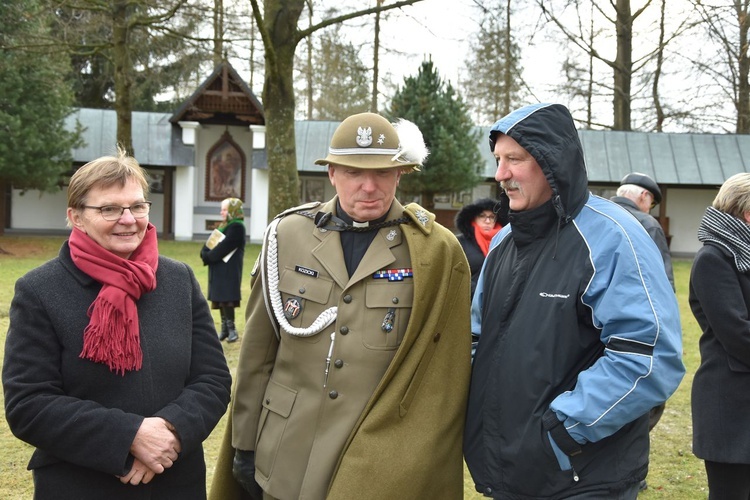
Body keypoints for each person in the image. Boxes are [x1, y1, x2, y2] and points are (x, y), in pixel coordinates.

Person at [209, 112, 472, 500]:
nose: (369, 186)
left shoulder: (434, 250)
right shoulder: (287, 234)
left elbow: (443, 376)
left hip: (372, 456)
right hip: (286, 449)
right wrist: (244, 444)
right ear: (331, 173)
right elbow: (258, 353)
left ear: (400, 174)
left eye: (382, 173)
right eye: (353, 172)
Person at [463, 103, 685, 499]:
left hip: (583, 475)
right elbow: (477, 338)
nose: (501, 175)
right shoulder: (503, 242)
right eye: (499, 160)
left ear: (553, 162)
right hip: (509, 468)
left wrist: (561, 431)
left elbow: (648, 357)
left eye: (515, 159)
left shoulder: (613, 238)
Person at [2, 149, 232, 499]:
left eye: (138, 206)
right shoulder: (40, 290)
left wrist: (170, 431)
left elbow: (213, 379)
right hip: (80, 484)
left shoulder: (178, 279)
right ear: (76, 217)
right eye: (109, 208)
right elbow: (29, 403)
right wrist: (130, 437)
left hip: (175, 481)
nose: (128, 219)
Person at [612, 171, 676, 492]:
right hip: (638, 330)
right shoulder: (647, 225)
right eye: (650, 202)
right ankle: (631, 475)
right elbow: (662, 285)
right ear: (644, 198)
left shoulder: (594, 214)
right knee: (641, 405)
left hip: (598, 328)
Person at [689, 173, 750, 499]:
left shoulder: (744, 253)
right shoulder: (714, 258)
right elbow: (737, 332)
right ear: (746, 212)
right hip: (732, 402)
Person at [613, 172, 675, 289]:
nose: (649, 209)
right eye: (652, 204)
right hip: (631, 297)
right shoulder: (647, 223)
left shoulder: (596, 215)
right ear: (643, 195)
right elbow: (660, 271)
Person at [201, 197, 247, 343]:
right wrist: (204, 253)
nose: (221, 212)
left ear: (233, 211)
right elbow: (208, 245)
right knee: (220, 298)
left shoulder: (237, 227)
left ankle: (232, 329)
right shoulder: (223, 226)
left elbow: (225, 247)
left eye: (225, 209)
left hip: (229, 269)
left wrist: (208, 257)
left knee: (227, 297)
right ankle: (225, 330)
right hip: (218, 269)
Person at [454, 195, 508, 298]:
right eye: (482, 216)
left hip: (497, 299)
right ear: (474, 218)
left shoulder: (504, 241)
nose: (487, 221)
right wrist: (478, 293)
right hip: (467, 300)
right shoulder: (460, 242)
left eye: (492, 217)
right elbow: (456, 274)